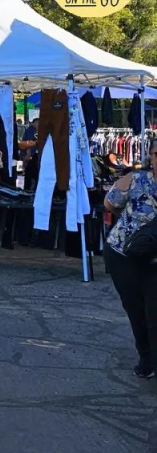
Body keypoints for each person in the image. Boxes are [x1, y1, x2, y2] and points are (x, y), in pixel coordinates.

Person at [104, 147, 157, 380]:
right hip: (123, 255)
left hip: (154, 260)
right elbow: (110, 204)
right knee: (135, 309)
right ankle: (146, 358)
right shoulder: (135, 179)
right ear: (151, 157)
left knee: (154, 313)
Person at [20, 117, 39, 190]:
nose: (38, 124)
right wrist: (26, 155)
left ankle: (29, 188)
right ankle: (29, 188)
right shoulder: (30, 130)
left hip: (35, 155)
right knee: (30, 173)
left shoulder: (35, 130)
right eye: (37, 122)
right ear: (34, 123)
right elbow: (27, 143)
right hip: (31, 156)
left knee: (32, 173)